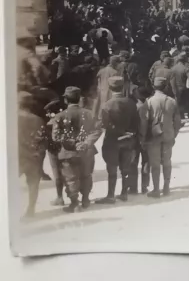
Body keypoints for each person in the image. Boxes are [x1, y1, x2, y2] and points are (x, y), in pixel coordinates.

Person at [52, 86, 101, 213]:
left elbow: (56, 136)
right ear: (79, 99)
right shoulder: (89, 113)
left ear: (66, 100)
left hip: (68, 153)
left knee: (71, 178)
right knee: (86, 175)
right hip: (87, 151)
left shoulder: (59, 116)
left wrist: (72, 142)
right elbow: (97, 130)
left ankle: (75, 204)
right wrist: (85, 143)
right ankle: (85, 199)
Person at [96, 76, 139, 204]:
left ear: (110, 88)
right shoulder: (131, 103)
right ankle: (124, 193)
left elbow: (103, 124)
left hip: (112, 140)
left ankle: (110, 195)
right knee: (125, 168)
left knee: (112, 168)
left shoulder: (107, 105)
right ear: (123, 87)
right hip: (128, 139)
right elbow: (137, 121)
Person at [18, 92, 47, 218]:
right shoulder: (37, 119)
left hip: (17, 156)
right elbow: (42, 140)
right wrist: (39, 156)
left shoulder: (9, 117)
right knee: (33, 184)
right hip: (33, 156)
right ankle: (30, 210)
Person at [128, 86, 151, 195]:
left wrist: (142, 138)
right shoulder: (147, 105)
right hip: (145, 138)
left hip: (138, 138)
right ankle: (144, 186)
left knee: (134, 162)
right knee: (145, 161)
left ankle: (133, 187)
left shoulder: (139, 106)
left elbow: (143, 124)